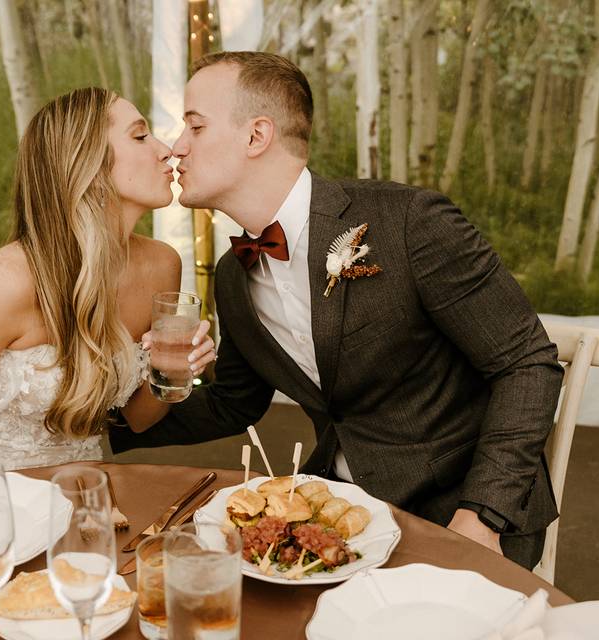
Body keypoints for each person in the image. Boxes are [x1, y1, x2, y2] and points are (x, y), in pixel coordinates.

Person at [110, 52, 564, 570]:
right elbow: (234, 403)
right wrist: (102, 426)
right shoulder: (234, 276)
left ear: (257, 136)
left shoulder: (409, 221)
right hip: (338, 509)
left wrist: (480, 516)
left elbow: (527, 363)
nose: (177, 147)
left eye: (195, 126)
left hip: (457, 507)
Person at [0, 88, 215, 484]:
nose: (166, 150)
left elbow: (140, 420)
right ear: (85, 161)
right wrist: (6, 500)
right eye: (140, 136)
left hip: (82, 494)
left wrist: (170, 371)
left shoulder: (162, 265)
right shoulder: (16, 277)